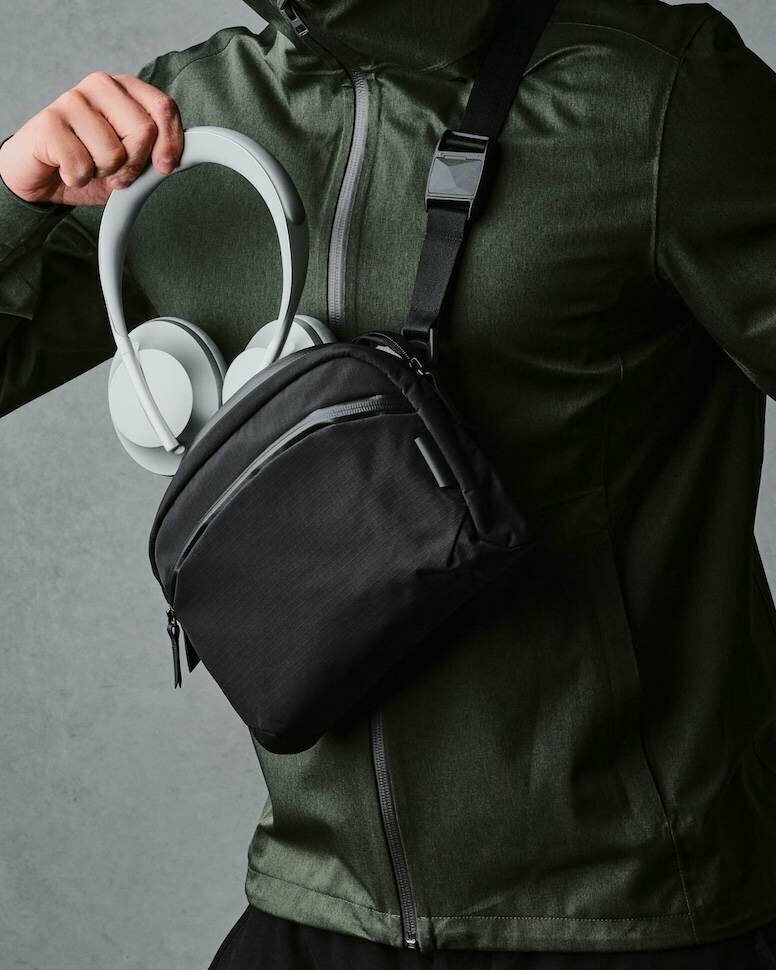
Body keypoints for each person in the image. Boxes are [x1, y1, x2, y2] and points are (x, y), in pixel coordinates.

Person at [3, 0, 776, 966]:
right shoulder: (182, 118)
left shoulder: (654, 98)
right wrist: (11, 196)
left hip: (635, 916)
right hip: (316, 905)